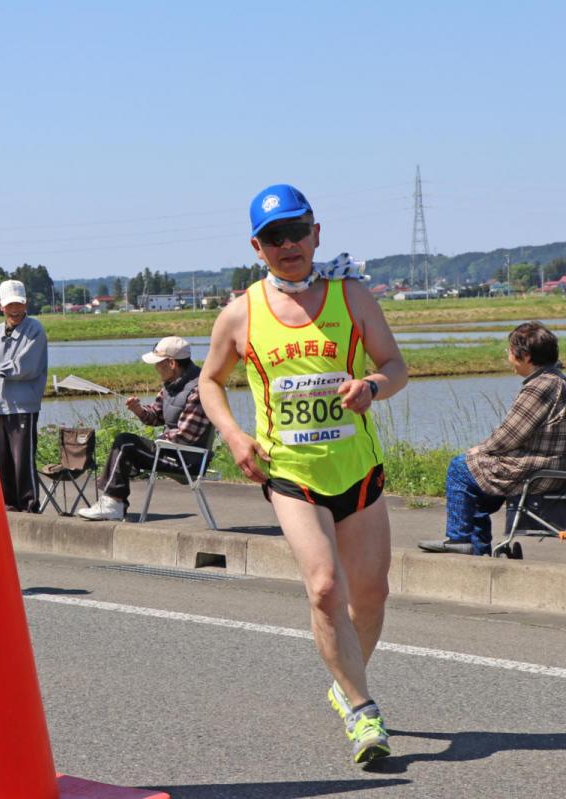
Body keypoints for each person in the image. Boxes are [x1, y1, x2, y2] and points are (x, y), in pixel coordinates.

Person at [199, 184, 407, 765]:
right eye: (274, 238)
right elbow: (209, 381)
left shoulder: (352, 297)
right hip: (289, 471)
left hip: (357, 470)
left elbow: (395, 366)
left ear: (317, 232)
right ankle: (365, 712)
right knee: (324, 588)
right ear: (256, 247)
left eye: (297, 232)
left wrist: (371, 386)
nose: (288, 245)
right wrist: (237, 437)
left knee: (370, 595)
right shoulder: (241, 312)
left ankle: (344, 687)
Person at [417, 322, 566, 556]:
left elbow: (508, 436)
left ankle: (459, 538)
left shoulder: (540, 387)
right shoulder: (555, 378)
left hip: (539, 470)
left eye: (509, 351)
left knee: (460, 467)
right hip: (552, 463)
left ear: (525, 356)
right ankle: (476, 548)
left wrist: (478, 451)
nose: (508, 357)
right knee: (475, 481)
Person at [77, 336, 213, 521]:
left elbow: (186, 435)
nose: (155, 368)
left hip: (186, 460)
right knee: (125, 443)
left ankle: (113, 503)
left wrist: (160, 439)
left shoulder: (198, 389)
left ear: (172, 363)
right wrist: (139, 410)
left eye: (158, 363)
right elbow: (156, 416)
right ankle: (112, 502)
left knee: (125, 444)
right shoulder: (172, 385)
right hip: (172, 451)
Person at [0, 279, 48, 513]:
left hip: (24, 406)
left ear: (26, 303)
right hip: (1, 404)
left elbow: (25, 366)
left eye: (18, 304)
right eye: (10, 305)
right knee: (4, 459)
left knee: (22, 460)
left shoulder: (35, 329)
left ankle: (29, 506)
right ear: (1, 306)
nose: (15, 310)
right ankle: (7, 505)